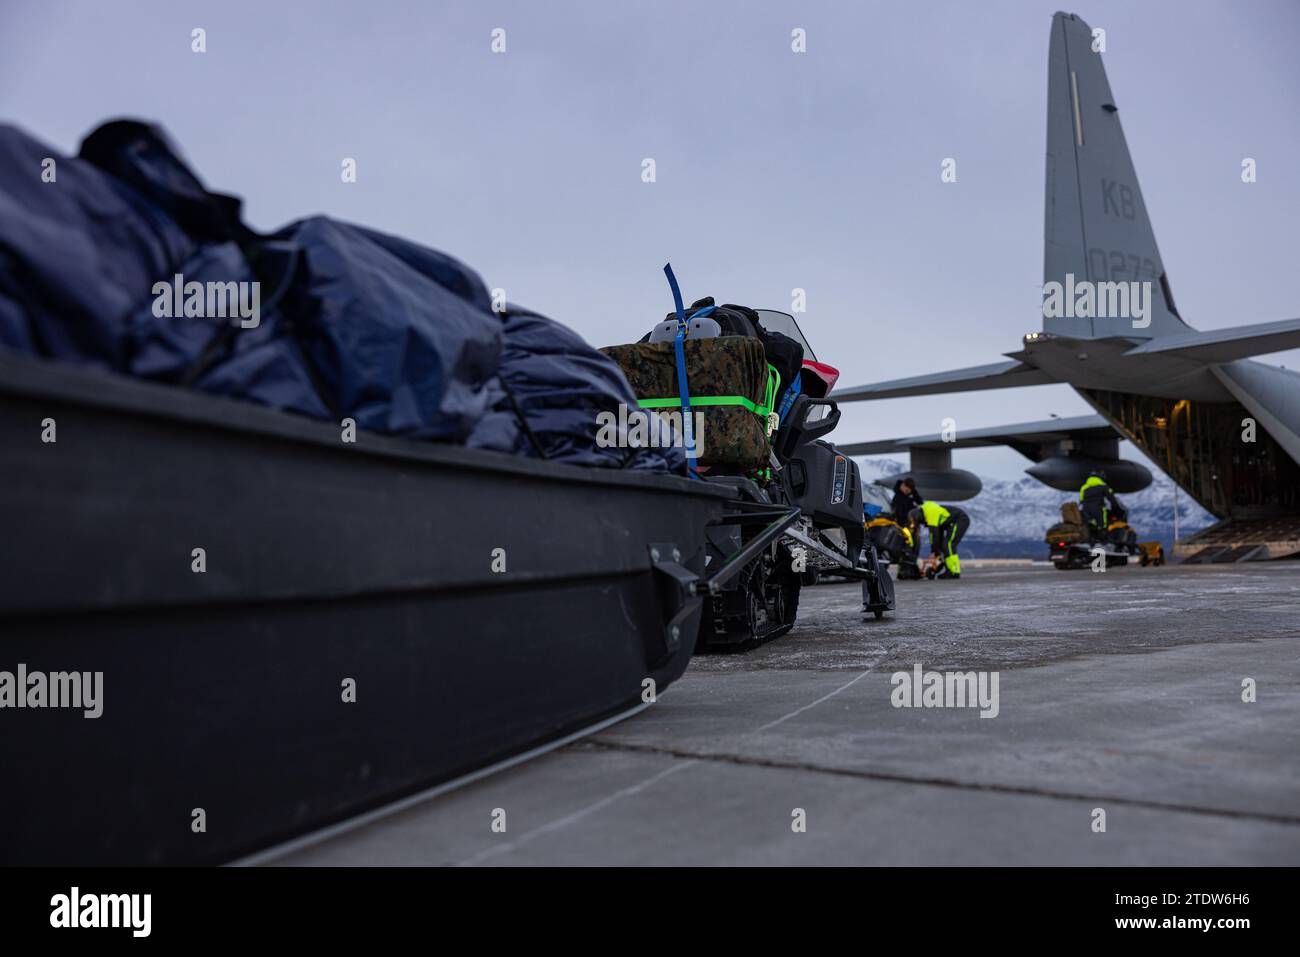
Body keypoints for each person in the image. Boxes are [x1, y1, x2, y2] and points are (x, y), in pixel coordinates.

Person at [908, 501, 970, 579]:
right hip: (952, 523)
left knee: (948, 544)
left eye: (917, 522)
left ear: (918, 516)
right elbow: (937, 535)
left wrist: (933, 552)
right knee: (943, 545)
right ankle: (948, 570)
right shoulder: (928, 513)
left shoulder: (930, 512)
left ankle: (954, 571)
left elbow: (934, 535)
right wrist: (937, 552)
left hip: (960, 520)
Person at [1078, 471, 1125, 542]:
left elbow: (1081, 500)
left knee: (1090, 526)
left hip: (1086, 510)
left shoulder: (1083, 487)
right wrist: (1116, 508)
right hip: (1099, 510)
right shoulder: (1103, 486)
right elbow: (1112, 499)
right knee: (1102, 527)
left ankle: (1091, 541)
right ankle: (1104, 543)